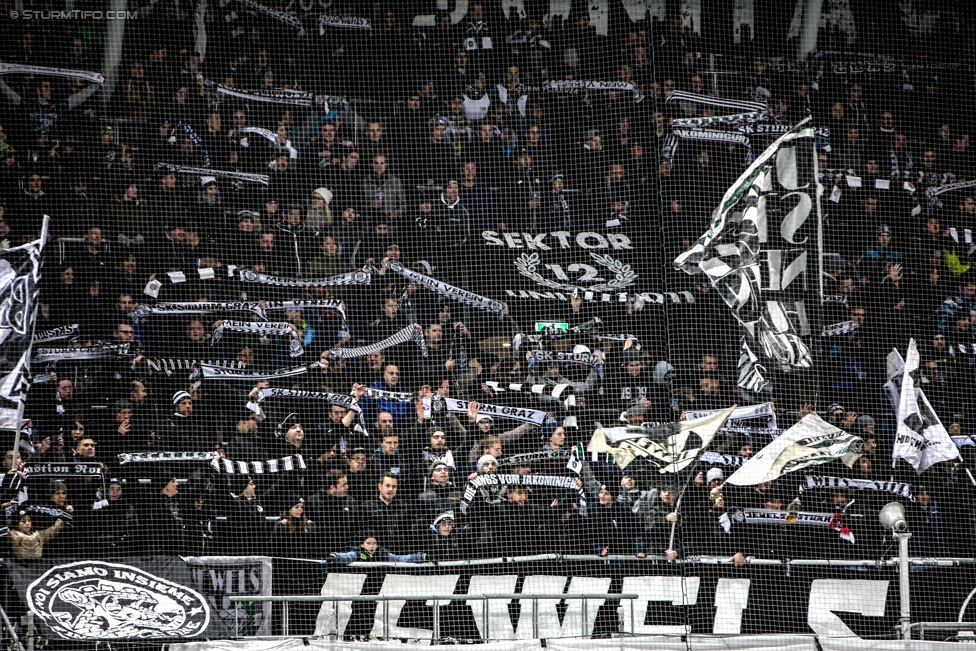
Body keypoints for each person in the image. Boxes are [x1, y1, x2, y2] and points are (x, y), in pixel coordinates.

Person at [327, 530, 426, 564]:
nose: (372, 546)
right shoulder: (357, 553)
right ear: (362, 544)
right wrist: (335, 556)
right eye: (369, 543)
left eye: (374, 543)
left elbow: (401, 559)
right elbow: (346, 557)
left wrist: (421, 556)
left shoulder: (382, 553)